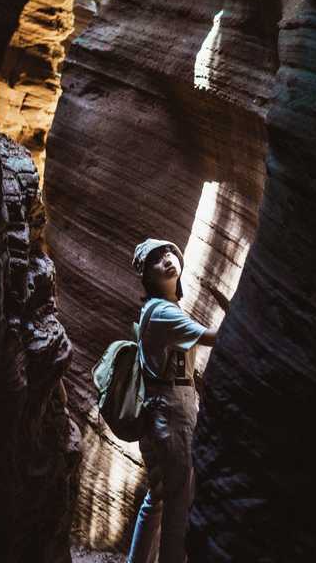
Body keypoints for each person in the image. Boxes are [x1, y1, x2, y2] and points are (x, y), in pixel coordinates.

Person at [127, 238, 220, 563]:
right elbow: (213, 338)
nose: (167, 260)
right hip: (171, 421)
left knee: (159, 497)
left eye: (170, 253)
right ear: (147, 276)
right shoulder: (164, 312)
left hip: (164, 417)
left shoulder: (161, 309)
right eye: (156, 259)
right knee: (179, 502)